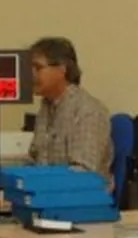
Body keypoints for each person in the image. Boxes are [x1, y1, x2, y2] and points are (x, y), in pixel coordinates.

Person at [27, 36, 113, 182]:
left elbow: (84, 173)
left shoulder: (88, 111)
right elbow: (36, 161)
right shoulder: (46, 107)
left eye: (38, 68)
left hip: (79, 193)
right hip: (47, 189)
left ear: (62, 69)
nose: (31, 74)